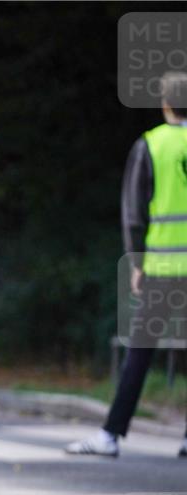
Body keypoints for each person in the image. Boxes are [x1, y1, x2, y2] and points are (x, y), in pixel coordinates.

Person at [66, 72, 187, 458]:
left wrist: (136, 262)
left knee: (140, 350)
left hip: (161, 269)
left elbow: (134, 214)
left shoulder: (150, 145)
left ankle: (111, 435)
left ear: (164, 104)